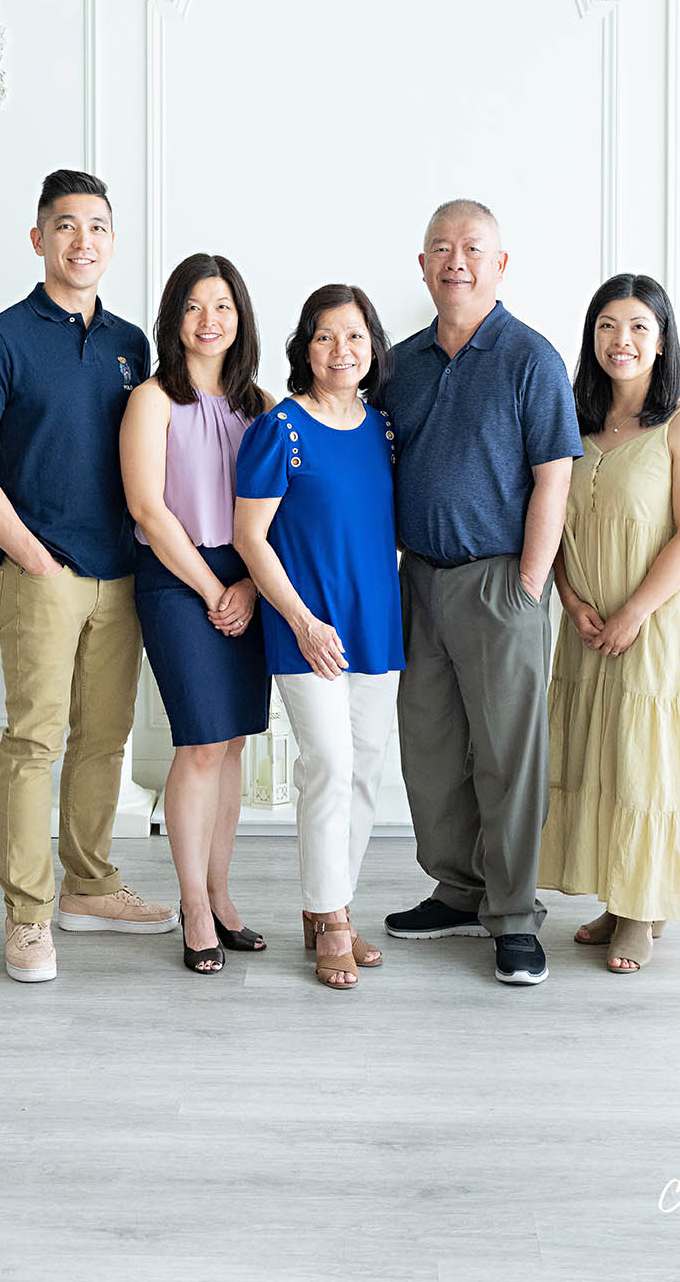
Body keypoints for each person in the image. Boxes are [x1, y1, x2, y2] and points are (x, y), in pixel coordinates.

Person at [0, 169, 176, 984]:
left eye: (100, 226)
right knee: (34, 742)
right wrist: (32, 554)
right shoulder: (1, 338)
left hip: (123, 573)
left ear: (113, 241)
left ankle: (90, 888)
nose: (85, 240)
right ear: (38, 237)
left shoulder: (130, 345)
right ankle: (28, 916)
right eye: (68, 225)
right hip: (41, 572)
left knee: (104, 741)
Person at [383, 199, 581, 987]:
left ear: (500, 265)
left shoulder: (531, 358)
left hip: (502, 582)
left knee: (508, 757)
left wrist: (530, 586)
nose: (454, 260)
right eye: (440, 248)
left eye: (471, 248)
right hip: (419, 582)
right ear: (422, 266)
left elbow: (553, 480)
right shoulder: (397, 363)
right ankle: (458, 890)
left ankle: (512, 915)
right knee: (430, 751)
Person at [538, 273, 680, 971]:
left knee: (643, 761)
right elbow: (551, 523)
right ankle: (619, 895)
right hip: (586, 622)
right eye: (606, 326)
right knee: (602, 756)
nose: (620, 341)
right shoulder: (572, 419)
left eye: (637, 328)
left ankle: (642, 910)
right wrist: (571, 600)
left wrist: (632, 612)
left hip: (652, 623)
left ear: (661, 343)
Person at [234, 285, 404, 990]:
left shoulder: (385, 430)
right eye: (328, 336)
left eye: (356, 337)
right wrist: (303, 621)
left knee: (366, 769)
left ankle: (334, 904)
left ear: (373, 348)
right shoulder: (281, 429)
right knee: (329, 764)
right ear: (305, 345)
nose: (343, 351)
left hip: (377, 622)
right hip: (307, 627)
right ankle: (329, 916)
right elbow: (250, 536)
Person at [120, 253, 271, 975]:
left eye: (222, 307)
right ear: (173, 318)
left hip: (248, 579)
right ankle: (194, 905)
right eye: (193, 307)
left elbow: (278, 515)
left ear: (240, 318)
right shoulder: (152, 399)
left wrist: (245, 585)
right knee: (200, 745)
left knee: (235, 744)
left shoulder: (262, 406)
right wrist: (214, 591)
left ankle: (220, 890)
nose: (208, 321)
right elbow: (147, 506)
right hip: (177, 580)